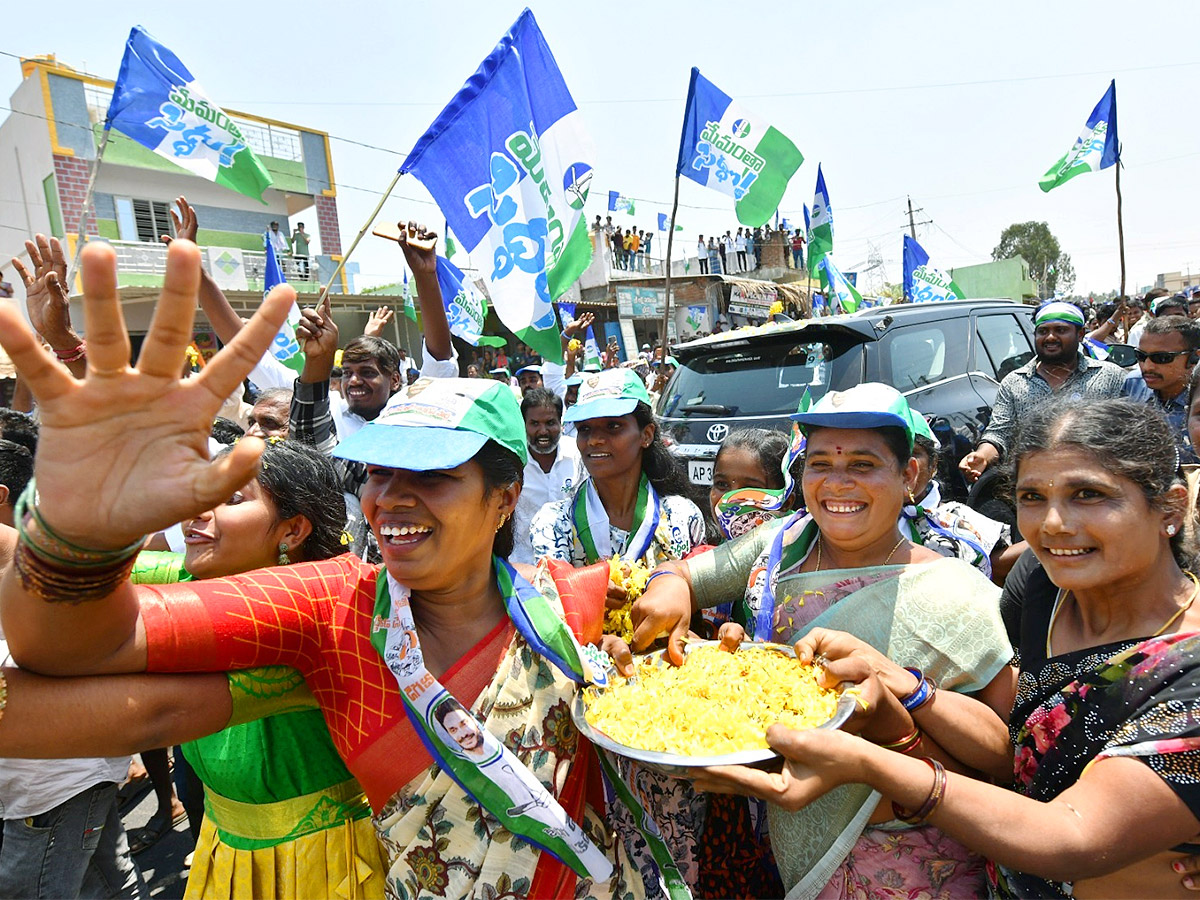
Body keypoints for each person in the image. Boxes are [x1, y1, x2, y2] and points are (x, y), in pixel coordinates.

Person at [0, 243, 669, 899]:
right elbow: (74, 647)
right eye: (379, 471)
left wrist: (683, 585)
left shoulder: (574, 600)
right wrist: (69, 533)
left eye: (432, 474)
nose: (391, 498)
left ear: (503, 496)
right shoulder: (335, 608)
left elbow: (710, 582)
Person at [712, 398, 1200, 899]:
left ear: (1170, 508)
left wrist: (868, 762)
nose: (1053, 523)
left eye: (1089, 494)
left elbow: (1073, 834)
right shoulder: (1043, 586)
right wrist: (913, 695)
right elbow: (1011, 754)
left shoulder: (1189, 667)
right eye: (1032, 496)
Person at [631, 383, 1012, 898]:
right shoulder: (782, 543)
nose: (837, 484)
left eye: (862, 464)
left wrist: (909, 690)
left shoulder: (953, 589)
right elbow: (687, 573)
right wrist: (670, 585)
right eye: (819, 464)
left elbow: (1002, 756)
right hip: (792, 835)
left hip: (918, 855)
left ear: (909, 475)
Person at [960, 301, 1126, 483]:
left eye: (1060, 330)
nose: (1050, 337)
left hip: (1094, 485)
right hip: (1034, 486)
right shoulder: (1015, 383)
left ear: (1080, 334)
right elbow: (999, 433)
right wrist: (982, 456)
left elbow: (1126, 436)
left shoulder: (1110, 376)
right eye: (1043, 331)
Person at [511, 388, 583, 566]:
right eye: (534, 423)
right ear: (524, 425)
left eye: (550, 423)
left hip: (572, 567)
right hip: (523, 564)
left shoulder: (578, 455)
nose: (543, 431)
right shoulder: (513, 463)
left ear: (561, 423)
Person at [1137, 315, 1200, 465]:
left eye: (1162, 358)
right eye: (1140, 356)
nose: (1147, 367)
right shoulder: (1133, 385)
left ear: (1194, 358)